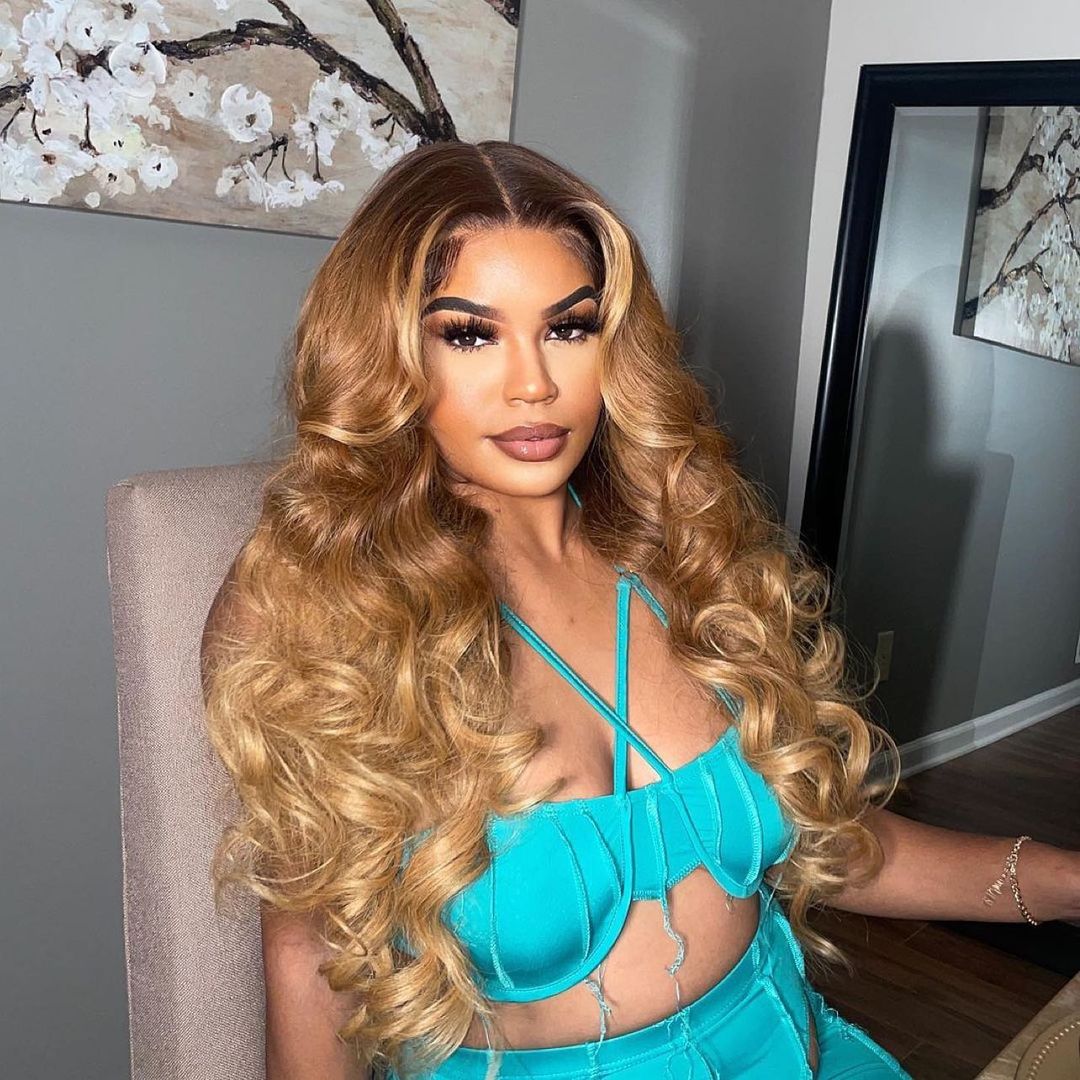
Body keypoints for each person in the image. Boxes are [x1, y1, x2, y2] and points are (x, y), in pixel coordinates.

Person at [199, 140, 1079, 1080]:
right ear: (384, 350)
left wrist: (1063, 881)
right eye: (470, 335)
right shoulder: (318, 610)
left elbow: (824, 838)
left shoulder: (684, 552)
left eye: (569, 327)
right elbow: (310, 958)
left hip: (797, 1052)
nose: (534, 383)